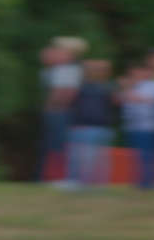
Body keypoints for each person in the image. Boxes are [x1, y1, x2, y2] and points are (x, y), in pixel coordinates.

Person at [121, 62, 154, 190]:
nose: (136, 74)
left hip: (153, 126)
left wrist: (129, 93)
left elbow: (151, 100)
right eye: (134, 72)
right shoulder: (134, 86)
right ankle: (141, 182)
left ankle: (152, 182)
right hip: (135, 125)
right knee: (139, 156)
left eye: (139, 71)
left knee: (151, 155)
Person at [66, 60, 115, 189]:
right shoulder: (108, 88)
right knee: (95, 159)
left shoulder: (87, 88)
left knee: (86, 159)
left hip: (88, 126)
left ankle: (83, 183)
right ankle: (96, 184)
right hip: (97, 127)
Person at [40, 39, 84, 184]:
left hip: (60, 112)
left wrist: (53, 107)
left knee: (58, 145)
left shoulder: (68, 69)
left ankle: (61, 177)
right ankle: (53, 177)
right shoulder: (58, 69)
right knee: (53, 144)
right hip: (57, 111)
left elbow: (67, 93)